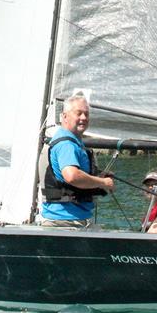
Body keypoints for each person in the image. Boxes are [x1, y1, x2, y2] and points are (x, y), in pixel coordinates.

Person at [38, 93, 114, 227]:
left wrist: (97, 179)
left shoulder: (71, 142)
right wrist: (102, 182)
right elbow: (72, 176)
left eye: (86, 114)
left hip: (71, 220)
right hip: (66, 223)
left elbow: (71, 178)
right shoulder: (67, 145)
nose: (84, 118)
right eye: (78, 113)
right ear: (65, 116)